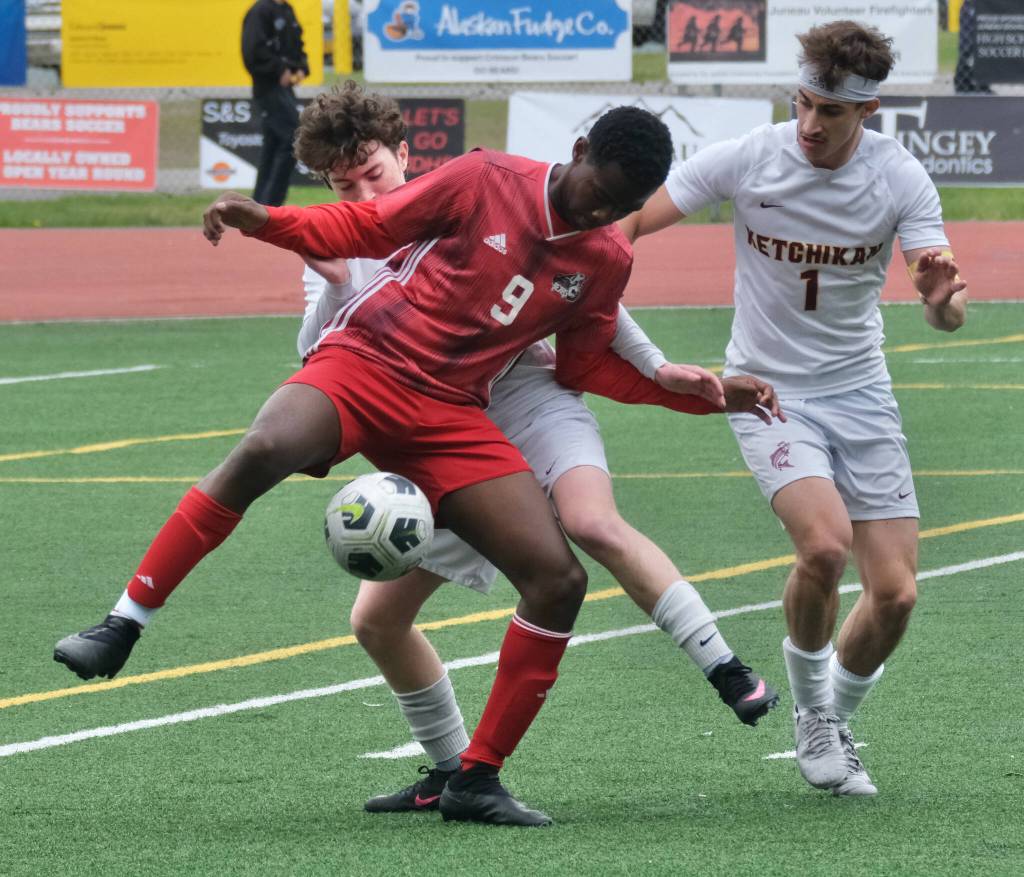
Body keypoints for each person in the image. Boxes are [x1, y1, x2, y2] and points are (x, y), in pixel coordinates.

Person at [52, 105, 779, 828]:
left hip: (453, 415)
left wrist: (699, 396)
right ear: (580, 149)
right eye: (601, 191)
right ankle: (122, 623)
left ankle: (476, 777)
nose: (604, 211)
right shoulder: (485, 175)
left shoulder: (607, 254)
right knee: (264, 449)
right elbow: (364, 228)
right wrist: (266, 220)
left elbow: (586, 365)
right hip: (366, 361)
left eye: (623, 206)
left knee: (558, 579)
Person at [286, 83, 781, 816]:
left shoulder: (463, 197)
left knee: (590, 521)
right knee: (375, 620)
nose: (362, 190)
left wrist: (657, 368)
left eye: (374, 173)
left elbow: (588, 289)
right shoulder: (337, 244)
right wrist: (330, 284)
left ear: (405, 154)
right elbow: (314, 357)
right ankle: (451, 770)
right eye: (343, 183)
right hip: (449, 432)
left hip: (529, 396)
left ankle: (726, 666)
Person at [619, 20, 969, 797]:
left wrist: (944, 302)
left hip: (861, 390)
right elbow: (635, 218)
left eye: (828, 113)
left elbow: (940, 299)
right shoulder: (753, 155)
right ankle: (813, 713)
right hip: (767, 391)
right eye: (801, 104)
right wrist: (585, 267)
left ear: (866, 112)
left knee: (897, 594)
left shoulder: (901, 178)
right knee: (823, 547)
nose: (809, 125)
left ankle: (834, 716)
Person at [242, 0, 309, 206]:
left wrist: (300, 66)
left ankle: (259, 206)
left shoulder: (286, 10)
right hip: (267, 88)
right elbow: (252, 52)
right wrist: (279, 69)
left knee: (273, 143)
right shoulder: (260, 11)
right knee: (291, 137)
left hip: (285, 88)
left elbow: (297, 45)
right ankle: (270, 205)